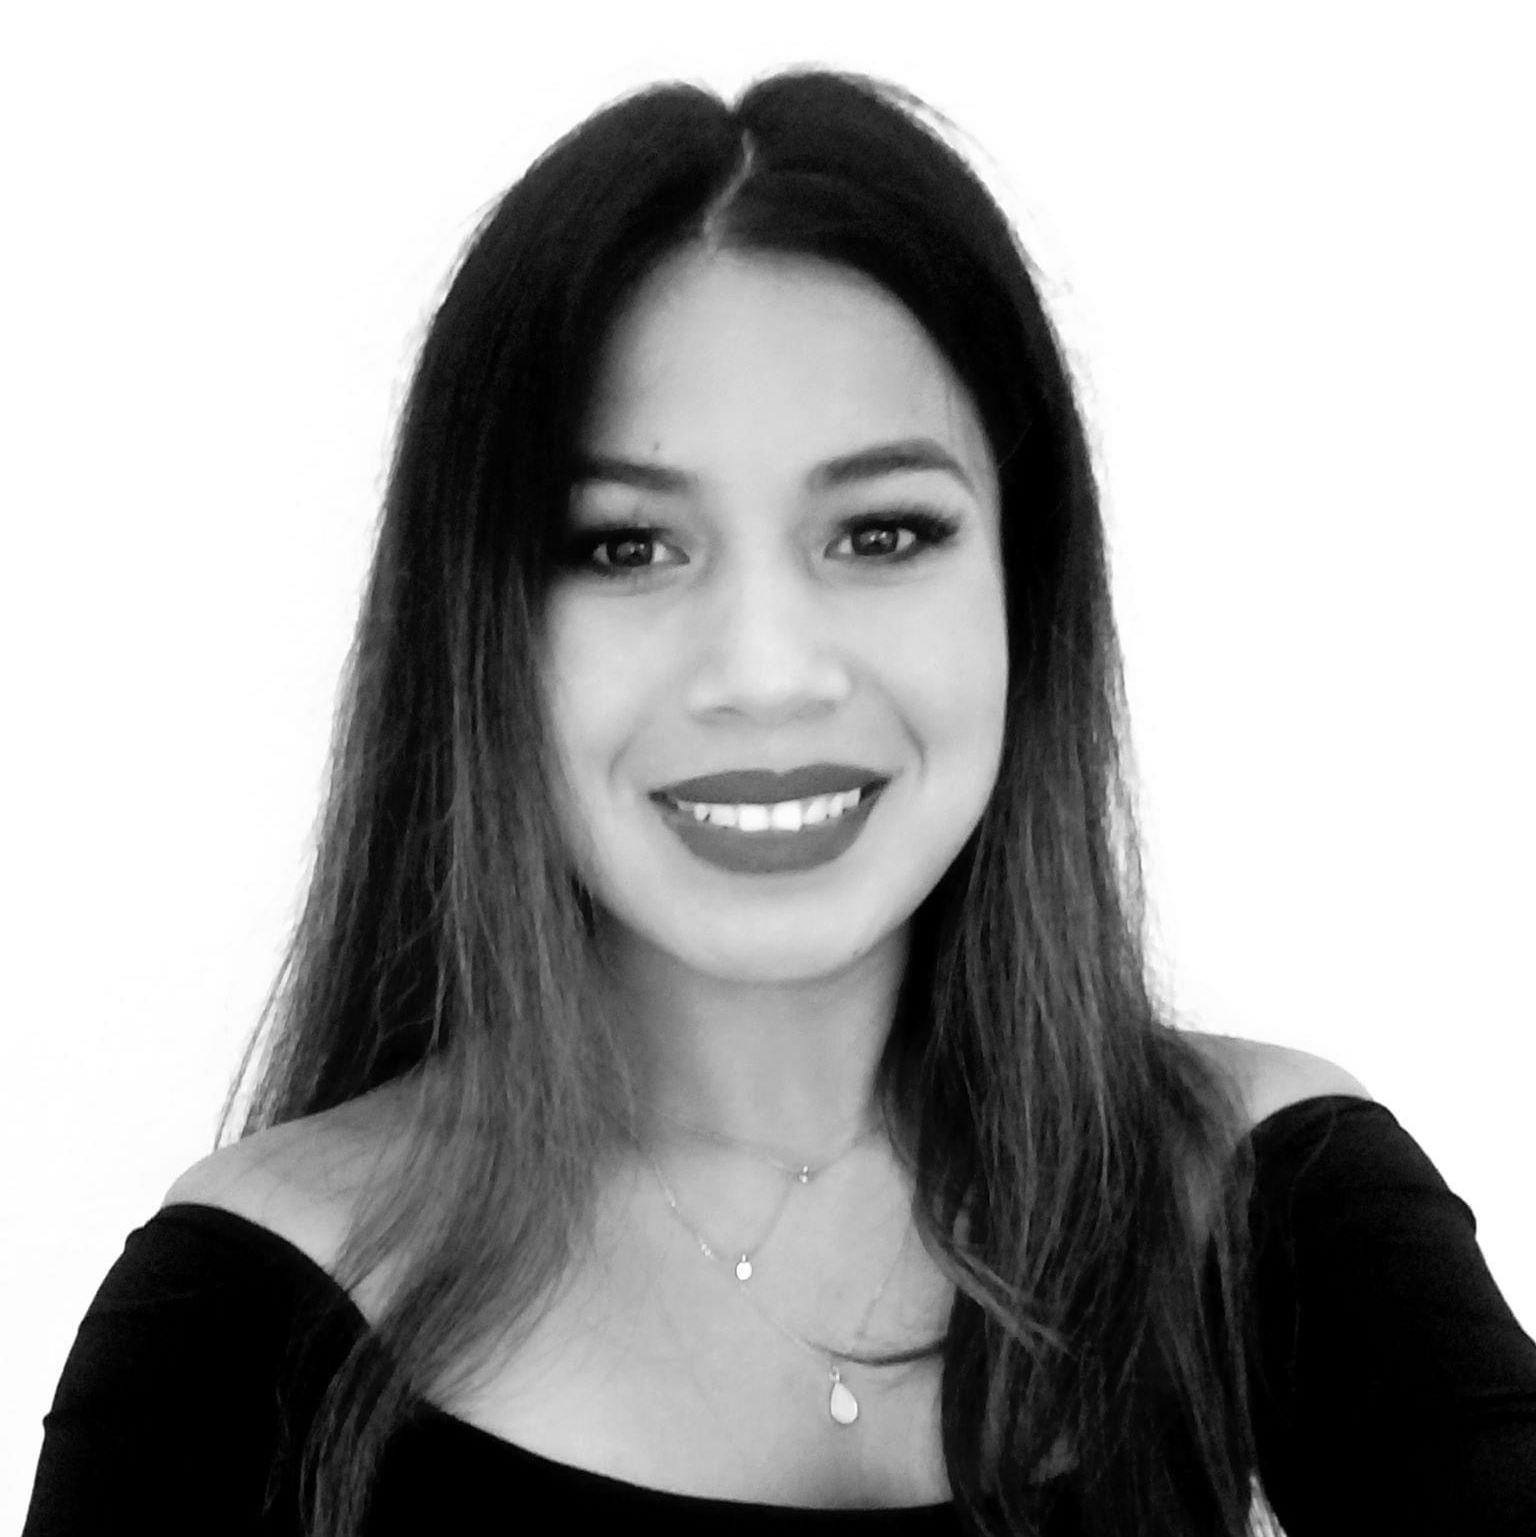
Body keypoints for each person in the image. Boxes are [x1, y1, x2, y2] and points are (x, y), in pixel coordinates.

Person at [22, 67, 1536, 1537]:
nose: (766, 674)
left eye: (881, 533)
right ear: (477, 631)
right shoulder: (245, 1323)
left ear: (1026, 585)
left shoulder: (1276, 1203)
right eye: (625, 547)